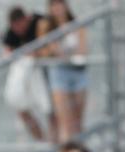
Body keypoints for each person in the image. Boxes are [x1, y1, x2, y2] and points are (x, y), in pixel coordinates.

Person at [2, 5, 54, 142]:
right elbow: (7, 51)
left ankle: (54, 141)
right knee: (21, 107)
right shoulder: (12, 32)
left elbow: (48, 47)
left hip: (47, 73)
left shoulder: (40, 22)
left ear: (25, 19)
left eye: (20, 26)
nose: (18, 30)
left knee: (51, 109)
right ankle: (42, 140)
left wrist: (33, 53)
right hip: (27, 74)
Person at [39, 0, 87, 142]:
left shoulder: (76, 25)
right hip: (59, 72)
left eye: (59, 4)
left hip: (77, 72)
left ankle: (78, 149)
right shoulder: (47, 26)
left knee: (77, 120)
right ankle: (66, 150)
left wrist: (65, 52)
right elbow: (44, 50)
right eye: (53, 5)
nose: (57, 8)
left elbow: (83, 50)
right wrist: (54, 49)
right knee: (64, 120)